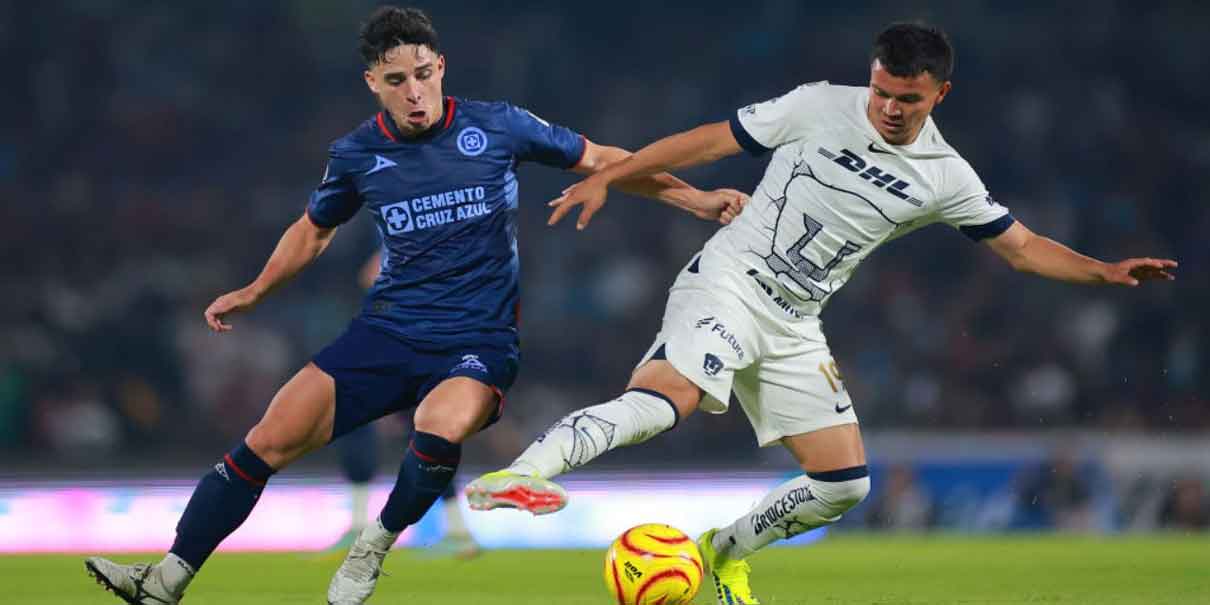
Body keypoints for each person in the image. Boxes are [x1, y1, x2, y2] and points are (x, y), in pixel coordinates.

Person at [465, 22, 1178, 604]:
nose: (889, 107)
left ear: (940, 94)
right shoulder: (818, 105)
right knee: (665, 401)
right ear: (871, 77)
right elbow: (709, 140)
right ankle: (522, 472)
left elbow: (1019, 247)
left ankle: (723, 550)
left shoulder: (946, 176)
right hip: (730, 281)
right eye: (882, 90)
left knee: (844, 485)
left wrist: (1103, 270)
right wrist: (613, 176)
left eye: (908, 98)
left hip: (795, 323)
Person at [83, 7, 745, 605]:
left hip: (478, 341)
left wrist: (696, 199)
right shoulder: (356, 154)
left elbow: (604, 160)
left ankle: (373, 546)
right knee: (267, 440)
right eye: (397, 80)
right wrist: (256, 289)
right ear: (373, 82)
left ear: (441, 68)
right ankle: (165, 581)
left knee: (437, 425)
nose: (414, 91)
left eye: (424, 75)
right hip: (387, 331)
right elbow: (314, 231)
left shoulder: (497, 125)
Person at [326, 250, 479, 558]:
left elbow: (370, 275)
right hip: (412, 348)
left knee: (428, 438)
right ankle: (457, 531)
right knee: (420, 437)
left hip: (416, 349)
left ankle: (457, 532)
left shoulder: (425, 250)